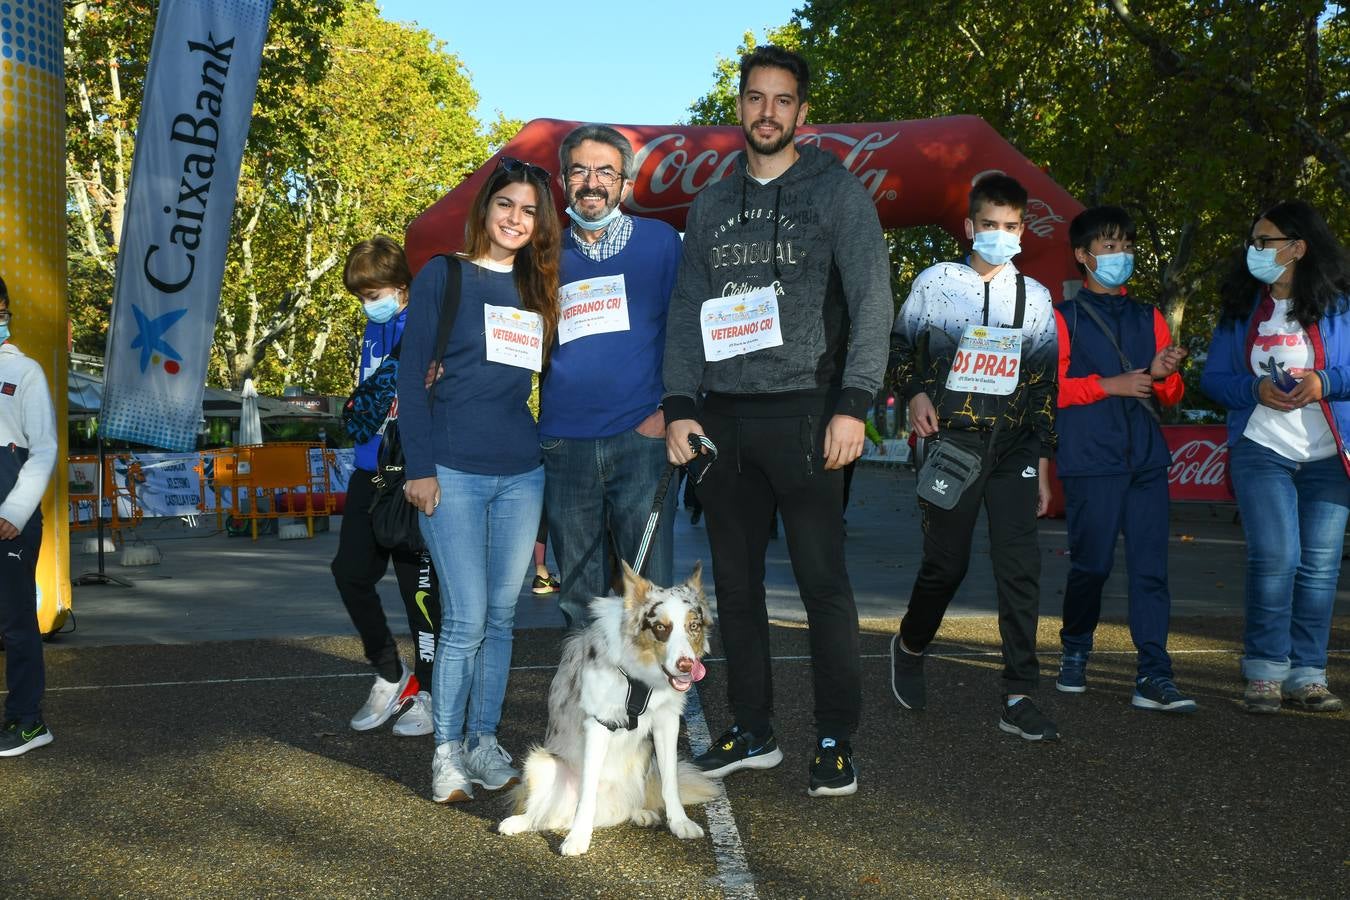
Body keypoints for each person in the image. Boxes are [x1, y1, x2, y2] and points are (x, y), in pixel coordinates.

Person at [663, 46, 893, 797]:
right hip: (724, 422)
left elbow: (872, 303)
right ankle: (752, 727)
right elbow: (686, 310)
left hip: (809, 417)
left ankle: (835, 736)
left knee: (824, 586)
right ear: (739, 107)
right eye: (755, 98)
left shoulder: (836, 192)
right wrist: (679, 406)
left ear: (802, 113)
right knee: (735, 586)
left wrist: (855, 404)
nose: (768, 112)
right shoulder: (709, 204)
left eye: (782, 100)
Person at [399, 157, 561, 801]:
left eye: (529, 211)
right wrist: (420, 470)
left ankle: (483, 740)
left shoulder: (539, 288)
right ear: (485, 209)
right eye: (506, 206)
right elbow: (413, 377)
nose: (516, 219)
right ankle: (445, 751)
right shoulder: (445, 274)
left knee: (500, 617)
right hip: (452, 473)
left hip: (521, 474)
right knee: (464, 619)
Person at [888, 173, 1060, 741]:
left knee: (1020, 568)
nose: (1001, 236)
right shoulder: (936, 283)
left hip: (1013, 451)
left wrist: (1043, 461)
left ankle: (1018, 693)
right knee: (948, 565)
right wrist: (914, 393)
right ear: (970, 227)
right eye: (990, 225)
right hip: (951, 446)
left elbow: (1042, 386)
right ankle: (911, 644)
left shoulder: (1035, 298)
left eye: (1011, 227)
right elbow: (898, 347)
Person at [1200, 199, 1350, 715]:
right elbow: (1213, 379)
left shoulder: (1340, 307)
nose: (1254, 249)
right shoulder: (1241, 310)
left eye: (1264, 240)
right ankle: (1265, 670)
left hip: (1330, 458)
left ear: (1298, 247)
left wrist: (1323, 381)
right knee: (1277, 558)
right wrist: (1255, 389)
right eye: (1253, 240)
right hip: (1261, 450)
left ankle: (1308, 674)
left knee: (1319, 569)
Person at [1053, 205, 1195, 712]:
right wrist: (1107, 386)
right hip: (1091, 459)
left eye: (1127, 246)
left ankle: (1154, 674)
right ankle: (1075, 647)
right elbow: (1050, 390)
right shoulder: (1061, 317)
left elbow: (1171, 395)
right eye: (1110, 247)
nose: (1122, 255)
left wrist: (1163, 371)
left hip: (1146, 460)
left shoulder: (1149, 315)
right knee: (1091, 567)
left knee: (1151, 570)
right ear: (1083, 256)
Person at [539, 124, 682, 627]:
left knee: (653, 597)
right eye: (580, 170)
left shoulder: (662, 243)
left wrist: (670, 413)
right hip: (564, 443)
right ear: (563, 181)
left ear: (625, 184)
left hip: (642, 441)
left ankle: (670, 702)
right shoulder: (540, 252)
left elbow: (689, 333)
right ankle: (592, 705)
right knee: (580, 602)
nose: (592, 181)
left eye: (605, 171)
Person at [331, 237, 441, 738]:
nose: (367, 303)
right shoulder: (372, 328)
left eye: (373, 293)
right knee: (350, 573)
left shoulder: (425, 322)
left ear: (402, 287)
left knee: (418, 592)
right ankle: (388, 673)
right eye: (360, 295)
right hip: (368, 471)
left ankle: (430, 689)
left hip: (411, 474)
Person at [0, 275, 58, 757]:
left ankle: (27, 721)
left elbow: (44, 449)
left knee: (15, 620)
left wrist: (16, 511)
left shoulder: (27, 372)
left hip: (10, 503)